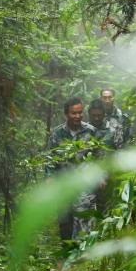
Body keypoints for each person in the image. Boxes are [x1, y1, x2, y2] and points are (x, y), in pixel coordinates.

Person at [47, 97, 97, 241]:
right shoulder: (57, 135)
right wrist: (50, 178)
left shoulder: (91, 132)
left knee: (84, 224)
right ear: (66, 114)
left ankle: (82, 258)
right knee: (65, 224)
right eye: (74, 113)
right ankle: (67, 257)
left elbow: (99, 157)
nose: (78, 116)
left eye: (80, 112)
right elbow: (50, 160)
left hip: (84, 187)